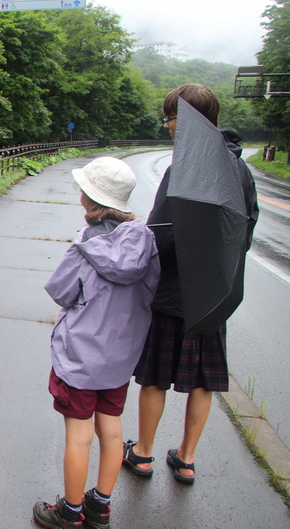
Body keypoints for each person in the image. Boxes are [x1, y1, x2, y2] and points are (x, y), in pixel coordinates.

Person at [122, 84, 259, 484]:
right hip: (213, 292)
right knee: (203, 380)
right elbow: (245, 229)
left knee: (154, 376)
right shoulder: (239, 168)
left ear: (186, 120)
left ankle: (143, 454)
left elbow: (161, 232)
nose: (166, 126)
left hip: (172, 292)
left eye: (169, 117)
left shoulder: (184, 167)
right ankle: (185, 459)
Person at [34, 157, 161, 529]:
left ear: (88, 197)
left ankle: (69, 512)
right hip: (121, 355)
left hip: (80, 356)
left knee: (79, 434)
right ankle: (99, 507)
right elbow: (151, 288)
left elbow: (61, 291)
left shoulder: (87, 243)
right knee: (113, 428)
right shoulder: (146, 239)